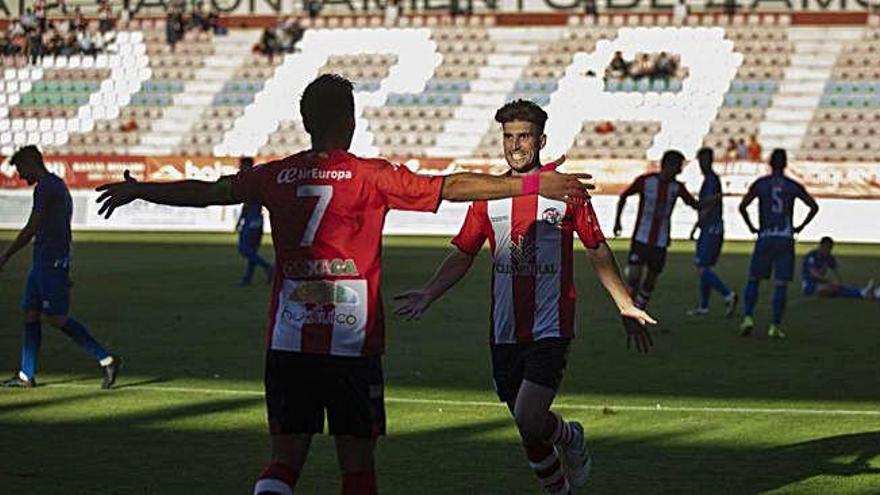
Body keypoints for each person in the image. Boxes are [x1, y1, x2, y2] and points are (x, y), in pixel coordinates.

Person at [93, 74, 594, 495]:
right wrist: (530, 183)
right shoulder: (370, 176)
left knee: (283, 463)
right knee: (356, 468)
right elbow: (451, 186)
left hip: (289, 338)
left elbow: (209, 193)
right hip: (352, 342)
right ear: (351, 121)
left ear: (307, 123)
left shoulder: (276, 175)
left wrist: (141, 190)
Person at [394, 100, 655, 495]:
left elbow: (597, 248)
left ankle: (568, 437)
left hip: (551, 325)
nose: (515, 145)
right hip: (504, 330)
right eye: (509, 137)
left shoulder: (567, 192)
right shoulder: (487, 196)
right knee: (525, 422)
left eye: (524, 136)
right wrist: (431, 291)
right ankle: (560, 484)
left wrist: (624, 302)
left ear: (541, 140)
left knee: (529, 415)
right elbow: (464, 252)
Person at [0, 146, 121, 389]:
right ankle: (26, 374)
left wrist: (5, 255)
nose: (20, 176)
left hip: (52, 260)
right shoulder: (54, 184)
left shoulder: (47, 187)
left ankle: (106, 359)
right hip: (44, 258)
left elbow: (32, 228)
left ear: (31, 163)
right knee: (31, 313)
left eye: (21, 169)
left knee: (55, 317)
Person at [738, 149, 819, 339]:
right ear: (785, 164)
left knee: (754, 279)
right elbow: (814, 206)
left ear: (769, 163)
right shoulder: (792, 185)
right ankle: (774, 325)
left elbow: (742, 206)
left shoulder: (761, 184)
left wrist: (752, 227)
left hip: (765, 237)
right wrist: (799, 227)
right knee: (781, 283)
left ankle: (748, 318)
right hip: (785, 238)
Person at [614, 150, 699, 310]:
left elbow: (695, 205)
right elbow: (624, 196)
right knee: (634, 277)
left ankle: (639, 307)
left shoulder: (677, 187)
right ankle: (632, 305)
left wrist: (712, 201)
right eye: (678, 166)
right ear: (668, 165)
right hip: (641, 237)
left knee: (651, 278)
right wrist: (617, 222)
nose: (680, 170)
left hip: (660, 241)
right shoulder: (646, 181)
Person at [688, 147, 737, 316]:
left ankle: (728, 294)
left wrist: (698, 224)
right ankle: (704, 306)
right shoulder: (710, 180)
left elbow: (709, 204)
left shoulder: (711, 180)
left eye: (704, 160)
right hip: (711, 227)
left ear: (709, 160)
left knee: (702, 267)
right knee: (704, 267)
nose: (701, 164)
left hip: (712, 227)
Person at [235, 156, 273, 285]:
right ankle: (247, 278)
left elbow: (247, 203)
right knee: (252, 250)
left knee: (244, 249)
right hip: (258, 218)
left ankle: (268, 267)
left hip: (252, 217)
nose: (239, 168)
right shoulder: (259, 178)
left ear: (246, 166)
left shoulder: (249, 179)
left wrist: (241, 220)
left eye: (241, 166)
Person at [801, 236, 876, 300]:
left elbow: (836, 271)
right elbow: (813, 273)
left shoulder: (829, 257)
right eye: (828, 248)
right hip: (809, 284)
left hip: (821, 282)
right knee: (830, 289)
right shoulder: (811, 255)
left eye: (831, 248)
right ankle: (863, 293)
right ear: (822, 246)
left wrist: (839, 282)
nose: (829, 250)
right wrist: (829, 281)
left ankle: (863, 292)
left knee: (838, 287)